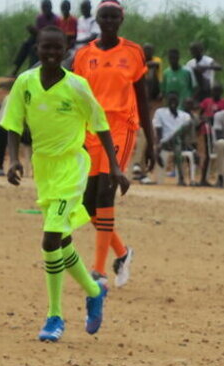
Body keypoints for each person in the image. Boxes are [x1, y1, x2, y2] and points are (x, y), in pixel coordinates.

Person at [2, 25, 115, 343]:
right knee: (61, 241)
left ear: (66, 49)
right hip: (44, 169)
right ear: (36, 48)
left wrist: (115, 167)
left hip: (72, 167)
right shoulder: (24, 83)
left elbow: (101, 125)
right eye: (44, 48)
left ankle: (54, 317)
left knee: (50, 239)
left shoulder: (77, 86)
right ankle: (94, 291)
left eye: (57, 48)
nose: (50, 53)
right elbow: (12, 124)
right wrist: (13, 160)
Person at [72, 0, 154, 288]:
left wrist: (151, 140)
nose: (108, 21)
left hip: (121, 128)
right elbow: (78, 100)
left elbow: (142, 99)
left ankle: (98, 271)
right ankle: (122, 253)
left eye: (113, 17)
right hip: (91, 130)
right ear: (97, 19)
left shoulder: (133, 52)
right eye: (103, 16)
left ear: (121, 19)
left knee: (106, 194)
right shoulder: (83, 55)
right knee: (88, 202)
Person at [152, 92, 194, 183]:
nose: (173, 102)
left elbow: (187, 133)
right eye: (171, 100)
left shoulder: (184, 115)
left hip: (180, 143)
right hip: (165, 143)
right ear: (167, 101)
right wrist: (158, 145)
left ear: (179, 102)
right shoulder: (160, 112)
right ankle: (181, 178)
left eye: (175, 100)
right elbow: (158, 131)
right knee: (176, 141)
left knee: (178, 138)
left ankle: (181, 178)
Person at [197, 83, 224, 185]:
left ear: (221, 92)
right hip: (208, 130)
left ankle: (221, 178)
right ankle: (203, 179)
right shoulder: (207, 101)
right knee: (208, 153)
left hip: (220, 131)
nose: (216, 93)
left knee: (220, 153)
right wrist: (203, 119)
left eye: (218, 91)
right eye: (214, 91)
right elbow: (200, 114)